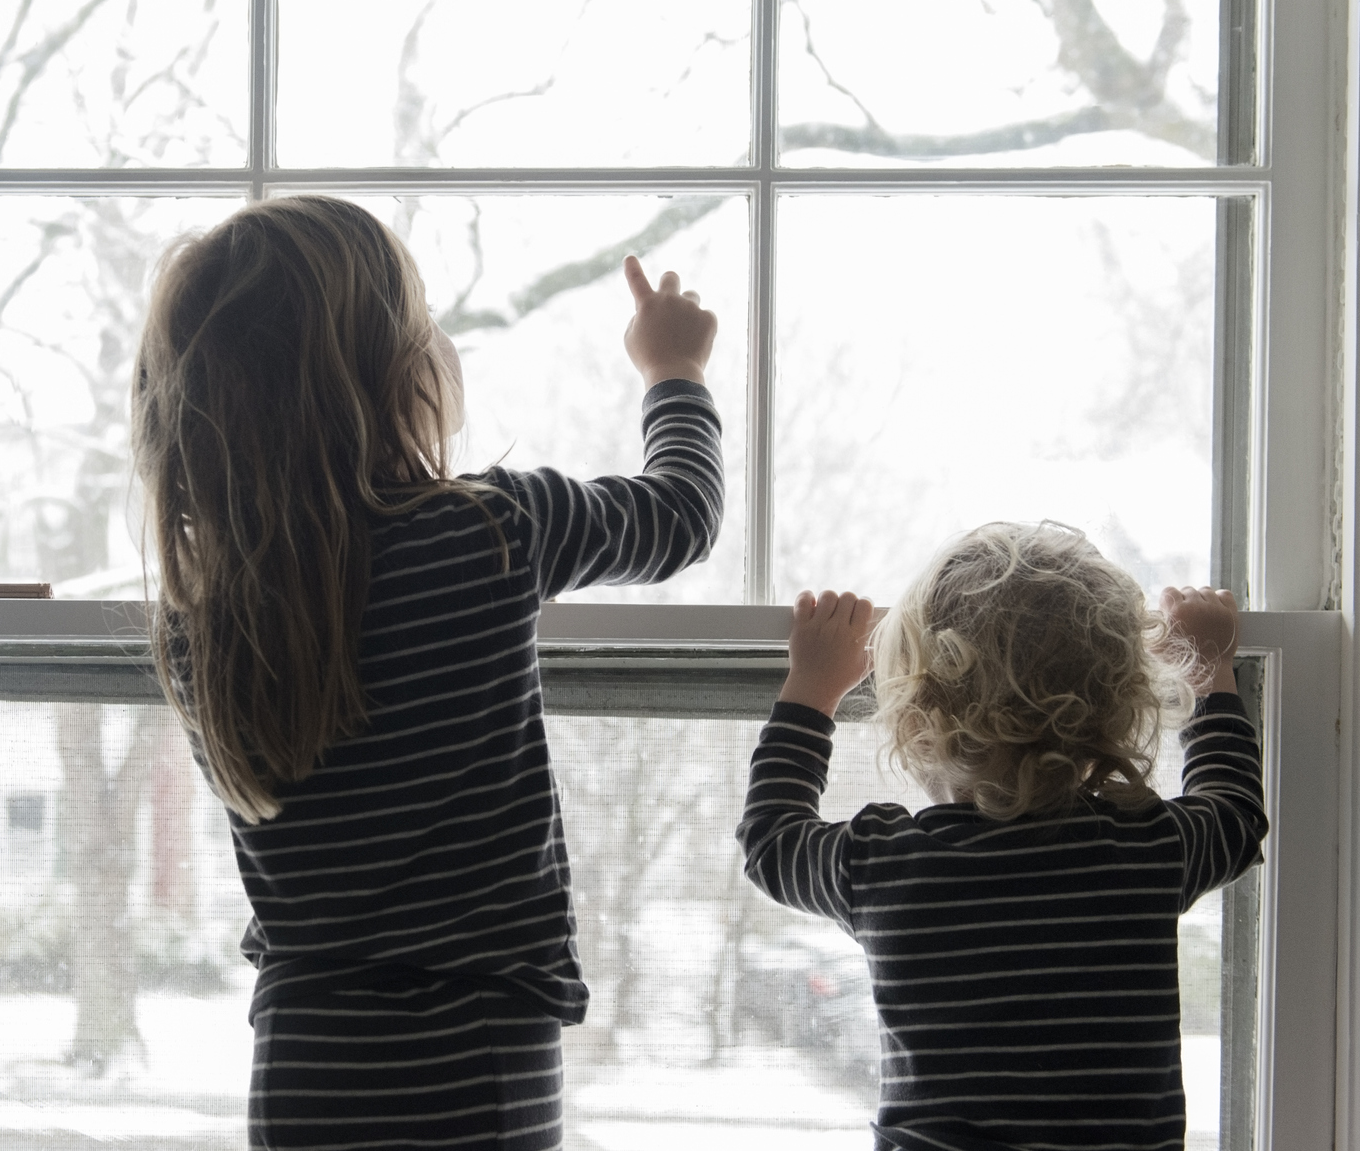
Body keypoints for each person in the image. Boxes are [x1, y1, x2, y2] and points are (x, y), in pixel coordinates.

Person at [131, 195, 723, 1149]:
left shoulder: (204, 622)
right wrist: (673, 370)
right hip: (475, 1045)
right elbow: (680, 516)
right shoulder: (488, 529)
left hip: (300, 1059)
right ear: (393, 370)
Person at [738, 522, 1267, 1151]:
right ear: (1118, 703)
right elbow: (1235, 813)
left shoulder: (887, 864)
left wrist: (812, 689)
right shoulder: (1143, 848)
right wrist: (1209, 671)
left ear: (915, 715)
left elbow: (770, 839)